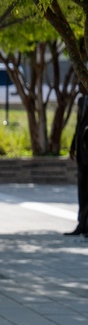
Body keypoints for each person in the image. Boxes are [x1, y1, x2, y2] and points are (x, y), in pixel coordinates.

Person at [67, 90, 88, 235]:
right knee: (82, 192)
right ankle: (81, 224)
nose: (79, 87)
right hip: (82, 154)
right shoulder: (81, 101)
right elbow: (78, 126)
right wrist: (73, 146)